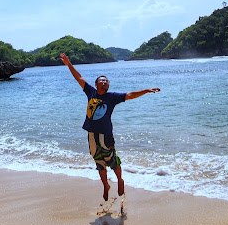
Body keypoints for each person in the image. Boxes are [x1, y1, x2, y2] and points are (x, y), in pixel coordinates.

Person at [60, 53, 160, 203]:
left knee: (111, 159)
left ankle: (120, 180)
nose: (105, 82)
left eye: (107, 81)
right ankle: (106, 185)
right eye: (102, 80)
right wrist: (69, 64)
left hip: (105, 134)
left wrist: (145, 90)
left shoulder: (112, 97)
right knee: (99, 162)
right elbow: (78, 77)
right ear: (96, 84)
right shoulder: (90, 92)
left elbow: (130, 95)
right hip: (92, 134)